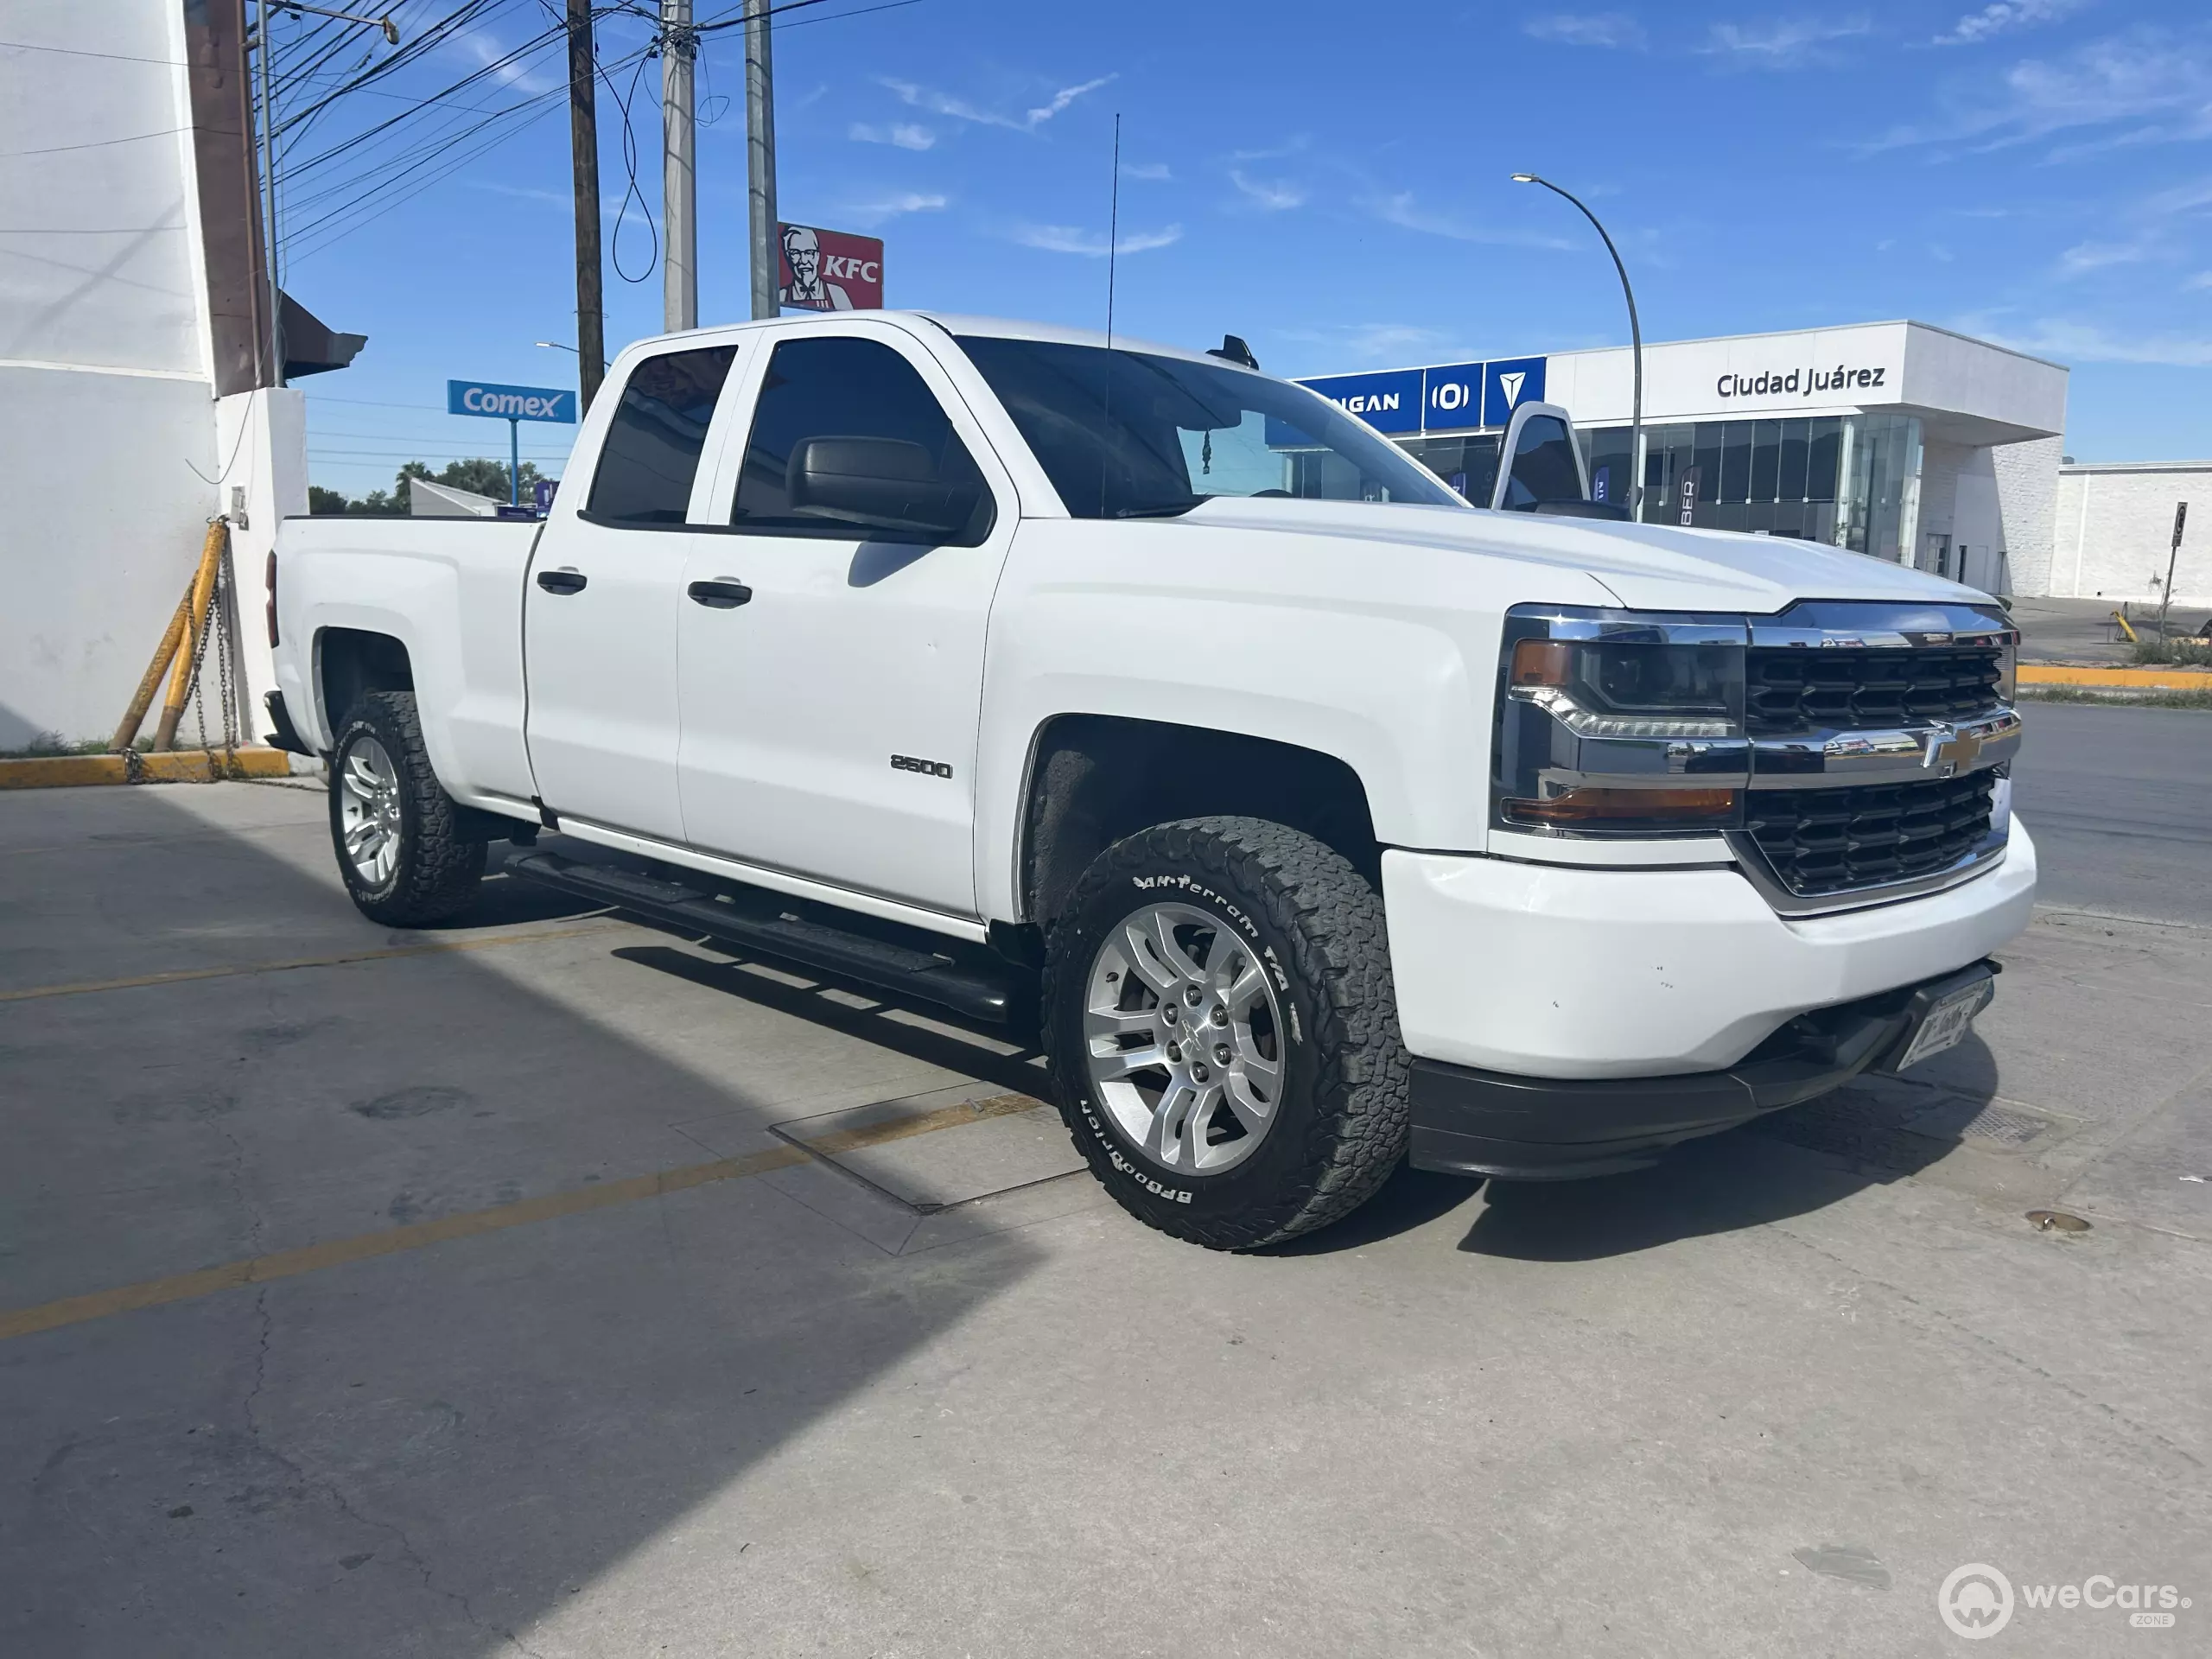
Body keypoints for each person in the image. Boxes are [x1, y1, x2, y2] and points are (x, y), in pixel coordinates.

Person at [778, 225, 853, 311]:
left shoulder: (836, 293)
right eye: (795, 253)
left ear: (817, 256)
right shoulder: (781, 296)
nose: (804, 261)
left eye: (809, 253)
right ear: (788, 256)